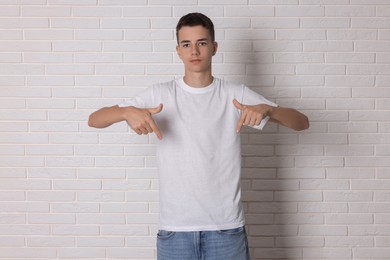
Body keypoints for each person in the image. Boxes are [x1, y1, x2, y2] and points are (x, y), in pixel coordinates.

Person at [88, 12, 309, 260]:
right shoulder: (161, 94)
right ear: (178, 50)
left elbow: (301, 122)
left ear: (214, 48)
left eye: (201, 43)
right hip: (174, 232)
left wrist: (268, 110)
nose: (194, 51)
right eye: (187, 44)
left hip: (226, 231)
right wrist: (127, 112)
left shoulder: (233, 94)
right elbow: (94, 119)